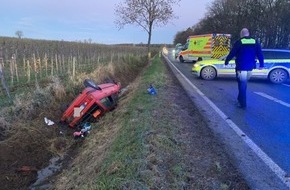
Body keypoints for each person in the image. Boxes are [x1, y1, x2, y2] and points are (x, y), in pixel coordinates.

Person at [225, 28, 264, 109]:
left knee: (242, 85)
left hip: (241, 67)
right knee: (244, 84)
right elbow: (260, 54)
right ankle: (240, 99)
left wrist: (227, 61)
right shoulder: (255, 41)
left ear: (241, 34)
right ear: (248, 33)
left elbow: (232, 53)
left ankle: (242, 104)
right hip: (250, 67)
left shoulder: (239, 42)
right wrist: (261, 64)